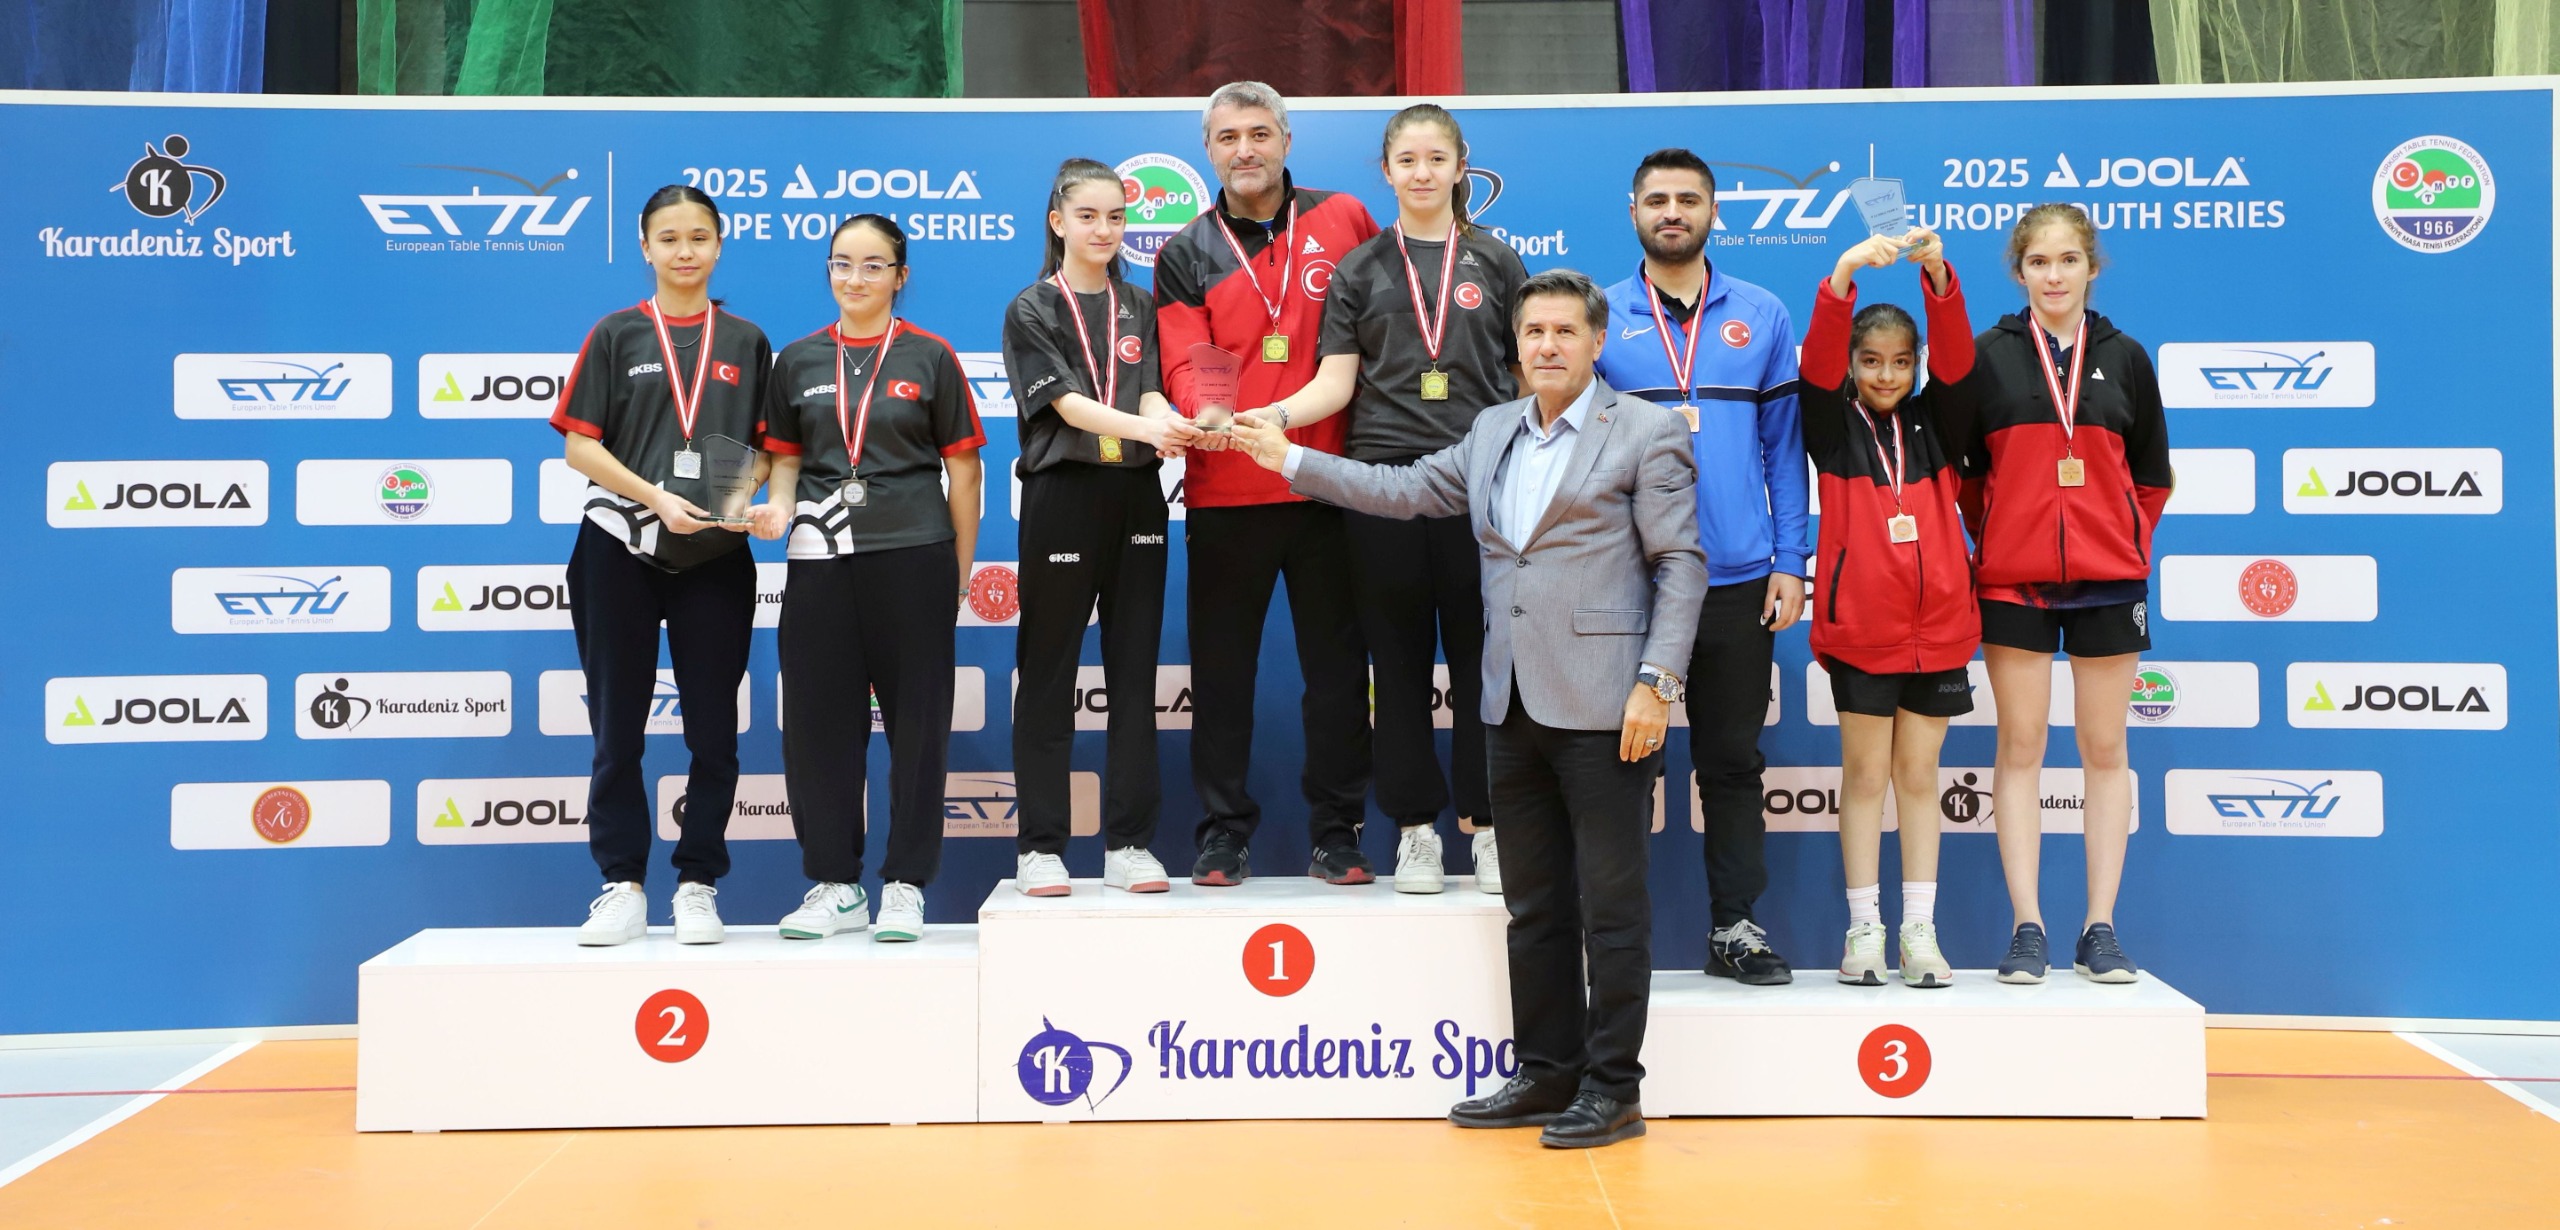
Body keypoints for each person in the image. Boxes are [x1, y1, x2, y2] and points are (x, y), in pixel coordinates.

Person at [1232, 269, 1707, 1150]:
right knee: (1533, 906)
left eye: (1566, 332)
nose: (1549, 347)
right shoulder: (1492, 430)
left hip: (1609, 704)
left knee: (1611, 909)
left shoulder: (1647, 430)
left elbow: (1680, 564)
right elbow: (1404, 490)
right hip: (1509, 701)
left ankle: (1614, 1089)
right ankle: (1546, 1072)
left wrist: (1658, 682)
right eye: (1534, 333)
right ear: (1515, 345)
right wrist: (1288, 459)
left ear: (1598, 342)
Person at [1248, 104, 1526, 895]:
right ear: (1387, 171)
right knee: (1396, 667)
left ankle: (1490, 827)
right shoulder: (1361, 268)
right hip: (1381, 487)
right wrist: (1275, 416)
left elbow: (1522, 381)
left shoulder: (1498, 262)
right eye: (1408, 160)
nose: (1423, 173)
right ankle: (1414, 833)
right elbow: (1336, 383)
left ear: (1462, 166)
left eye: (1437, 158)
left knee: (1484, 665)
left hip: (1480, 485)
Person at [1154, 81, 1383, 887]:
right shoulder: (1186, 250)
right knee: (1222, 677)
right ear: (1208, 150)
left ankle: (1338, 832)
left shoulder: (1345, 217)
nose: (1244, 149)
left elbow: (1382, 324)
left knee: (1338, 678)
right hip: (1227, 489)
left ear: (1286, 139)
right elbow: (1189, 361)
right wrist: (1215, 415)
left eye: (1258, 133)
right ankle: (1223, 833)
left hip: (1329, 484)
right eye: (1227, 137)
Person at [1940, 203, 2169, 984]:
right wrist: (2008, 536)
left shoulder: (2127, 357)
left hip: (2110, 580)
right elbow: (1969, 478)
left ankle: (2100, 928)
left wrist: (2118, 541)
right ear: (2020, 272)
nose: (2054, 275)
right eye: (2039, 262)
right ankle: (2028, 927)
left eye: (2069, 259)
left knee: (2105, 750)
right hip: (2015, 580)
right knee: (2021, 746)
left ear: (2091, 267)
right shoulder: (1989, 357)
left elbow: (2151, 475)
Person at [1594, 148, 1808, 985]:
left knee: (1731, 764)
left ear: (1714, 212)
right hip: (1631, 581)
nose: (1672, 212)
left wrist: (1791, 558)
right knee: (1621, 767)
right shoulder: (1601, 315)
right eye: (1657, 200)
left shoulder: (1762, 312)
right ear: (1633, 212)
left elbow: (1783, 449)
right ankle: (1615, 937)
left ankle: (1735, 929)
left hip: (1739, 578)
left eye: (1688, 199)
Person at [756, 214, 986, 944]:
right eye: (842, 264)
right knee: (818, 726)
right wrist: (777, 507)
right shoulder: (796, 360)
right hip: (819, 561)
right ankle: (835, 884)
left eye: (873, 265)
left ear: (900, 275)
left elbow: (964, 472)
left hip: (914, 555)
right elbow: (786, 461)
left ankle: (906, 885)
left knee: (919, 726)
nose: (855, 278)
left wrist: (959, 572)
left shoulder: (931, 355)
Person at [555, 184, 772, 948]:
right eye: (670, 238)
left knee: (714, 733)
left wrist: (737, 499)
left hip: (713, 554)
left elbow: (765, 450)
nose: (685, 251)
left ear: (719, 245)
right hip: (619, 544)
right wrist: (654, 498)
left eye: (699, 237)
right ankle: (620, 885)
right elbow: (580, 446)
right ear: (645, 247)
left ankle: (697, 884)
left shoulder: (746, 341)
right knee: (617, 728)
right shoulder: (616, 334)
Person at [1001, 158, 1203, 896]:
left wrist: (1166, 423)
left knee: (1134, 669)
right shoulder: (1032, 307)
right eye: (1088, 216)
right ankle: (1040, 847)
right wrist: (1149, 429)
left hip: (1136, 495)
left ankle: (1129, 843)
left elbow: (1148, 392)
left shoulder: (1138, 304)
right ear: (1058, 222)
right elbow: (1068, 408)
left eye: (1116, 217)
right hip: (1064, 493)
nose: (1104, 230)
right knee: (1049, 673)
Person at [1798, 228, 1979, 988]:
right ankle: (1863, 929)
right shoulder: (1831, 424)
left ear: (1917, 364)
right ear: (1851, 364)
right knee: (1866, 778)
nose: (1885, 374)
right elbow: (1814, 366)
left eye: (1901, 362)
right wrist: (1843, 273)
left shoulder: (1939, 421)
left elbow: (1961, 364)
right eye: (1870, 361)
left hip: (1940, 632)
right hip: (1863, 634)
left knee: (1919, 778)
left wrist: (1937, 275)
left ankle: (1919, 931)